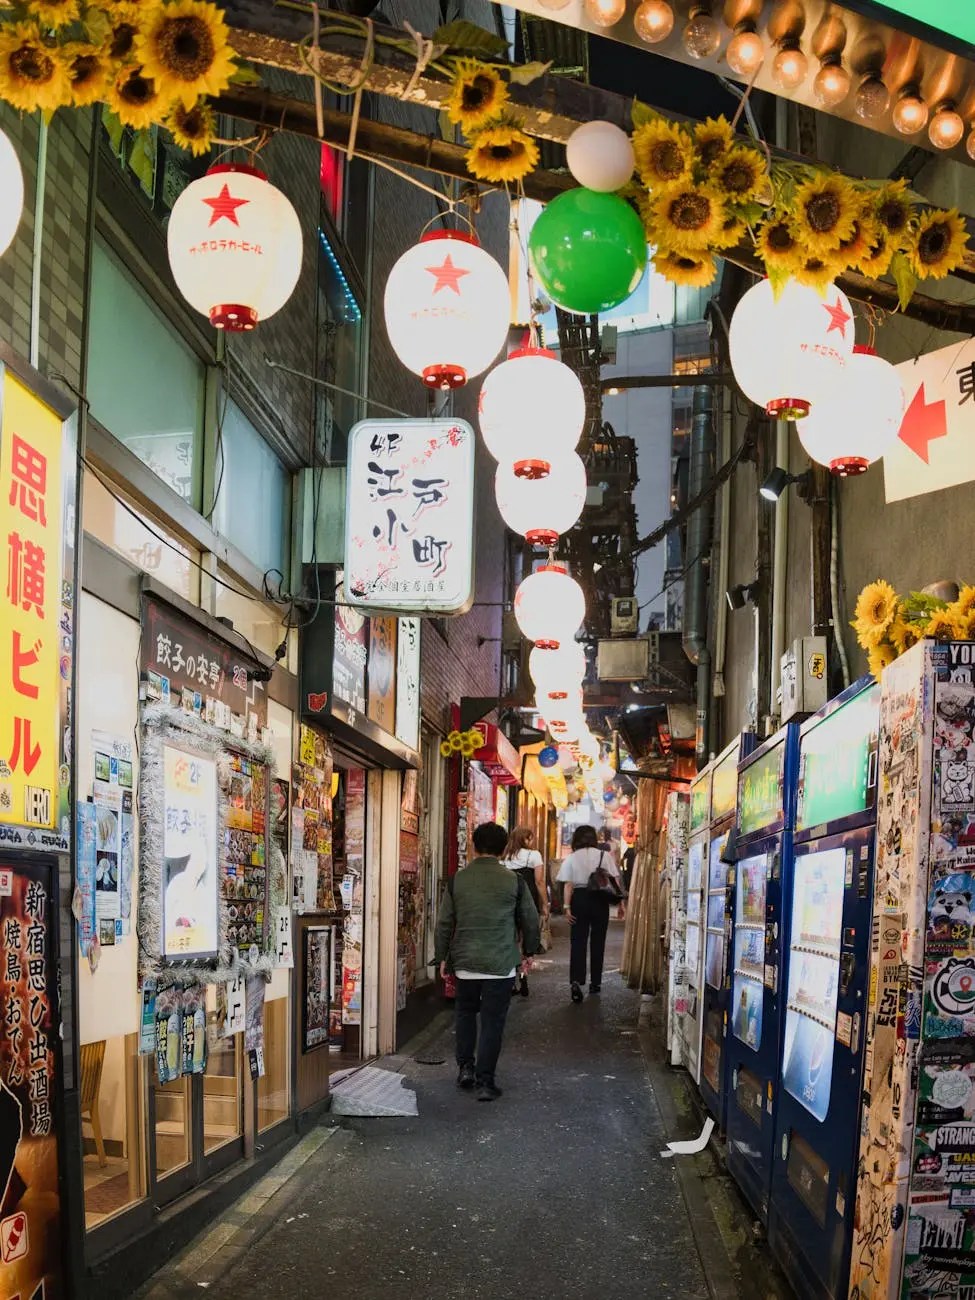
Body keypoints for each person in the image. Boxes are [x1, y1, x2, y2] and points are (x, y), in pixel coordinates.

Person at [434, 821, 540, 1101]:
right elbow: (530, 919)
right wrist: (529, 953)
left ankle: (465, 1068)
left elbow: (444, 923)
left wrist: (442, 956)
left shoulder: (458, 879)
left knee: (465, 1014)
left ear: (474, 846)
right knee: (493, 1021)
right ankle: (485, 1081)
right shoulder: (514, 881)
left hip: (466, 960)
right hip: (500, 962)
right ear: (504, 848)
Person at [557, 824, 624, 1003]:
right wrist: (621, 904)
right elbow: (614, 880)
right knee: (598, 941)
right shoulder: (604, 856)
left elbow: (568, 884)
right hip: (600, 900)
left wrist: (566, 907)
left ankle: (576, 981)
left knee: (578, 941)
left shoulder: (571, 858)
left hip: (579, 899)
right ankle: (596, 982)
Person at [501, 825, 549, 997]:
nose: (532, 841)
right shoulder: (534, 855)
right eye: (531, 838)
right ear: (526, 839)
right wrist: (545, 904)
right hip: (527, 902)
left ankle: (511, 979)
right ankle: (523, 975)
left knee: (511, 939)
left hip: (507, 901)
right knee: (526, 940)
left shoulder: (504, 856)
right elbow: (539, 882)